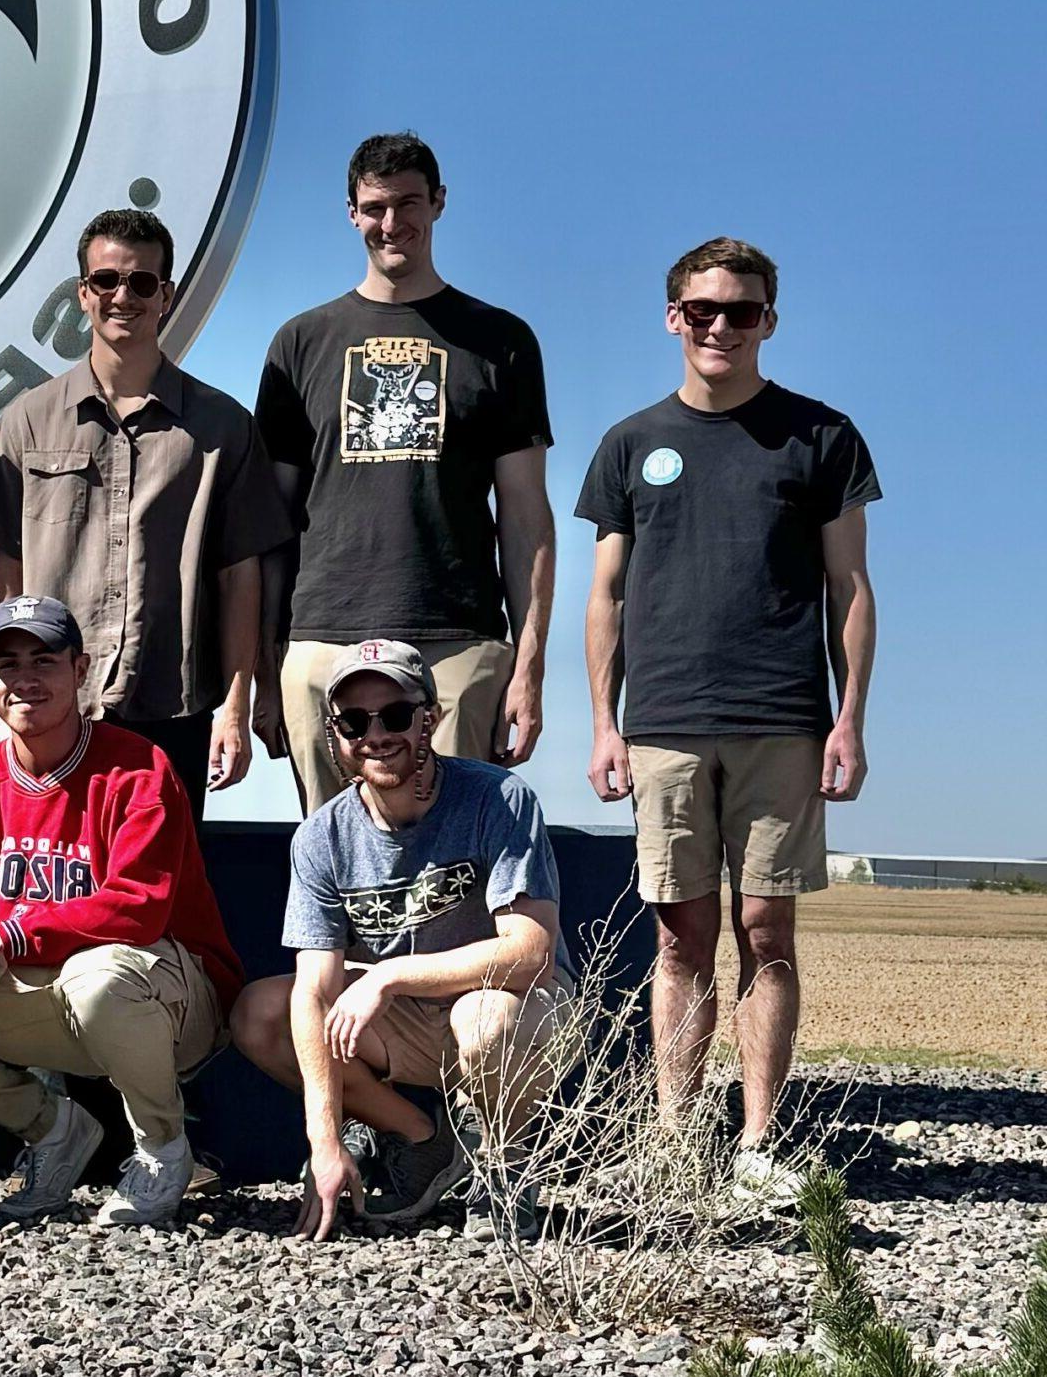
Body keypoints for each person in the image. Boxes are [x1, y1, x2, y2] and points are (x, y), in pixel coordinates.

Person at [578, 237, 878, 1209]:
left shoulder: (821, 437)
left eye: (739, 311)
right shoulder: (629, 444)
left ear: (768, 323)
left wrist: (849, 719)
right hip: (660, 720)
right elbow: (605, 597)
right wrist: (601, 724)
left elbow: (850, 587)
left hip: (782, 718)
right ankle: (673, 1138)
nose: (718, 326)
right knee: (677, 934)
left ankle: (755, 1142)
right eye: (701, 310)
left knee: (766, 929)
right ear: (672, 317)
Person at [0, 595, 242, 1225]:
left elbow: (136, 909)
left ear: (80, 669)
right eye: (7, 664)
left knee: (100, 977)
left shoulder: (140, 768)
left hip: (171, 1005)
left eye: (45, 659)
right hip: (56, 1000)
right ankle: (55, 1129)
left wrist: (8, 935)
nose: (26, 679)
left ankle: (163, 1149)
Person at [229, 640, 572, 1242]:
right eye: (355, 722)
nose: (376, 735)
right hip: (406, 1025)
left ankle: (506, 1173)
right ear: (335, 734)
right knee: (262, 1013)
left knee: (485, 1017)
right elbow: (313, 990)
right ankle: (423, 1143)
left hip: (515, 1012)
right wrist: (325, 1141)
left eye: (395, 714)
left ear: (429, 718)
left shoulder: (497, 799)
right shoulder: (321, 836)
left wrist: (387, 977)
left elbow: (529, 951)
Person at [255, 133, 557, 812]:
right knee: (337, 857)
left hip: (458, 637)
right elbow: (271, 524)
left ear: (439, 203)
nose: (393, 224)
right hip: (322, 635)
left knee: (449, 865)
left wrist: (528, 664)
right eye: (376, 207)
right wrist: (265, 667)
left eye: (410, 203)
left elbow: (526, 515)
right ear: (352, 212)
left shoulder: (502, 341)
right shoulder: (300, 343)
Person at [0, 207, 291, 821]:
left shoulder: (222, 427)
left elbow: (239, 577)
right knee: (44, 895)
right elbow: (5, 570)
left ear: (166, 296)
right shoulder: (25, 420)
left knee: (161, 903)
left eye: (143, 283)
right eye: (108, 281)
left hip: (173, 709)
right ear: (83, 294)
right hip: (47, 709)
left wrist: (234, 705)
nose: (125, 296)